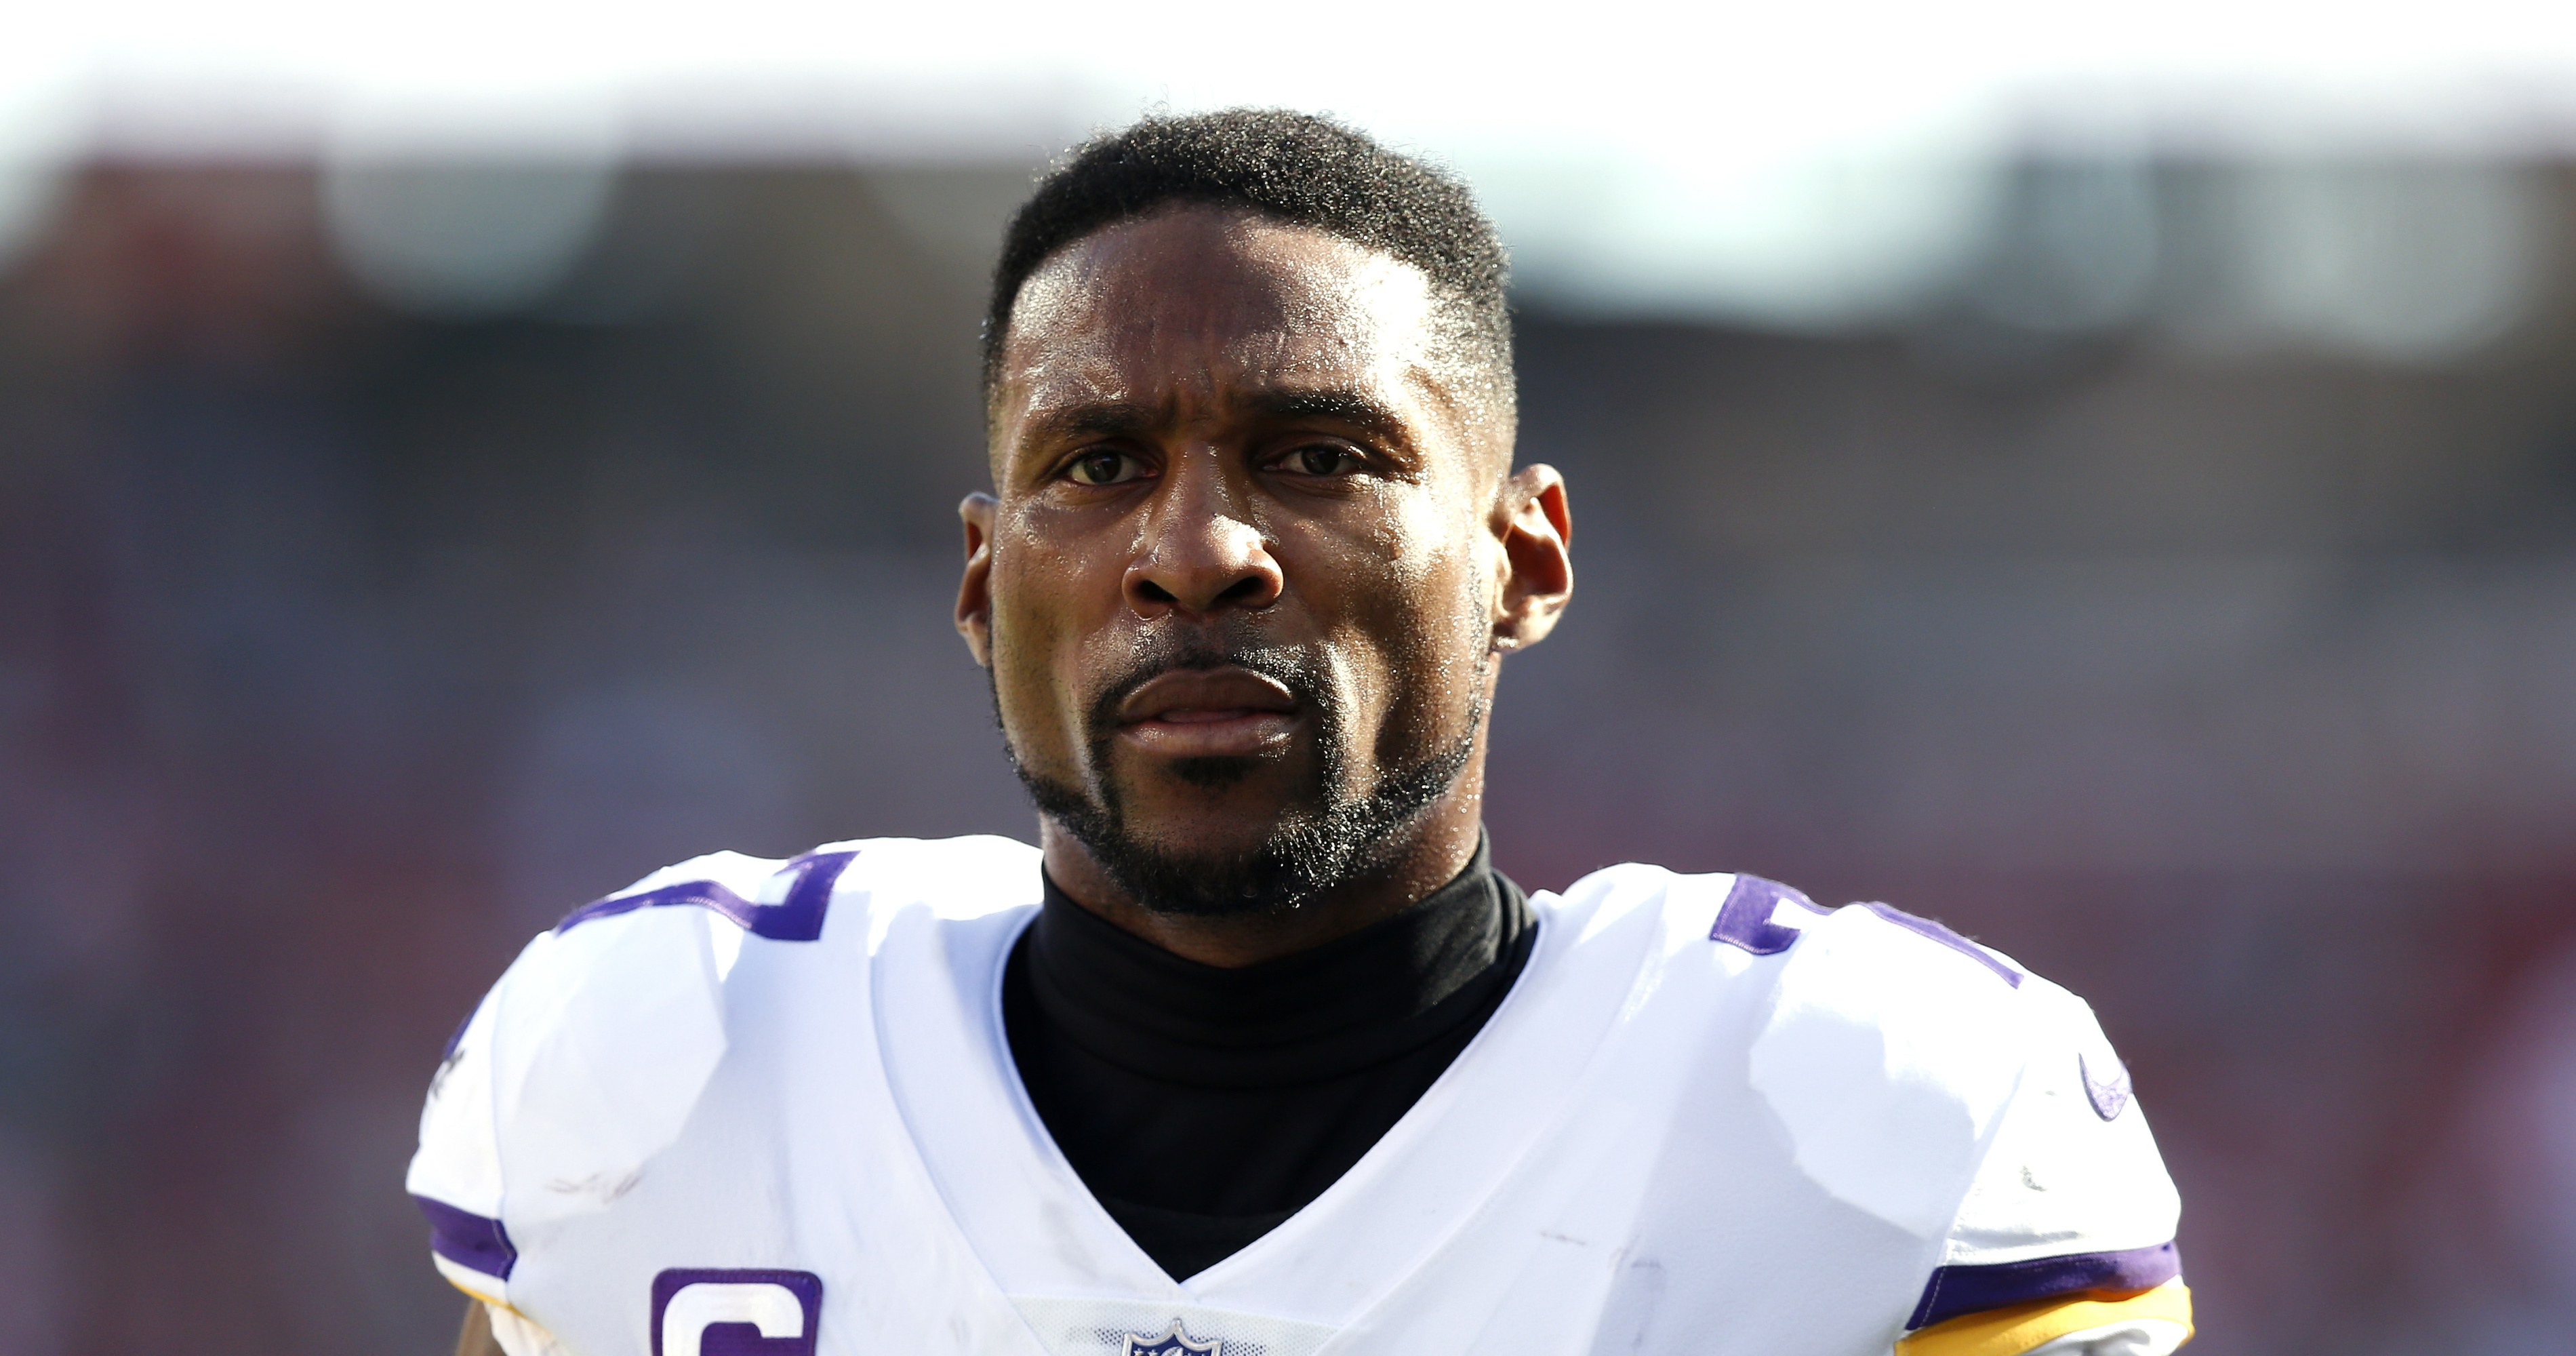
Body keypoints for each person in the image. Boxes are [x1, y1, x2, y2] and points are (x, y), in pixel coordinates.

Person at [409, 110, 2192, 1356]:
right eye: (1095, 466)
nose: (1195, 552)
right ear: (980, 580)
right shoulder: (668, 1068)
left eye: (1319, 455)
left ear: (1525, 556)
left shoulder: (1861, 1123)